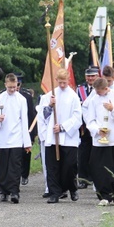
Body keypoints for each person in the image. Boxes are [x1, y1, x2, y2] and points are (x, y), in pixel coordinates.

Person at [84, 77, 114, 206]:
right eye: (96, 91)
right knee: (99, 169)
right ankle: (104, 195)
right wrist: (97, 130)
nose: (98, 94)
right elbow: (90, 119)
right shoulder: (93, 100)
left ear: (106, 88)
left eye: (99, 91)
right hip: (100, 140)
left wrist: (112, 109)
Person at [0, 73, 32, 204]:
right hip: (2, 137)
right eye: (10, 87)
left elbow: (24, 121)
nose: (13, 90)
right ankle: (3, 191)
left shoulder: (21, 100)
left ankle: (14, 191)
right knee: (2, 166)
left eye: (14, 87)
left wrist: (27, 142)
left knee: (15, 166)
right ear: (5, 85)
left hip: (16, 137)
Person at [42, 69, 82, 203]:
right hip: (53, 137)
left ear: (68, 80)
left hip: (69, 138)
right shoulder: (50, 95)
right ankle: (54, 193)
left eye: (65, 82)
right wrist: (50, 105)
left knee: (69, 167)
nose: (63, 85)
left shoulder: (74, 96)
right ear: (57, 81)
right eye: (60, 82)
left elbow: (77, 118)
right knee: (52, 166)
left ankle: (72, 188)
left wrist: (63, 127)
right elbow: (43, 116)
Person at [76, 66, 99, 188]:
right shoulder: (80, 89)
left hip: (97, 124)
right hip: (84, 127)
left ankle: (95, 177)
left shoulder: (100, 88)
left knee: (95, 152)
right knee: (83, 153)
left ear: (98, 76)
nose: (90, 78)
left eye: (93, 76)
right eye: (88, 76)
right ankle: (83, 179)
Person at [16, 75, 37, 186]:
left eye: (18, 84)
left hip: (26, 128)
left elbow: (31, 115)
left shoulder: (26, 96)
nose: (16, 87)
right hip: (14, 130)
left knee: (25, 154)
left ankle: (24, 175)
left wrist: (32, 133)